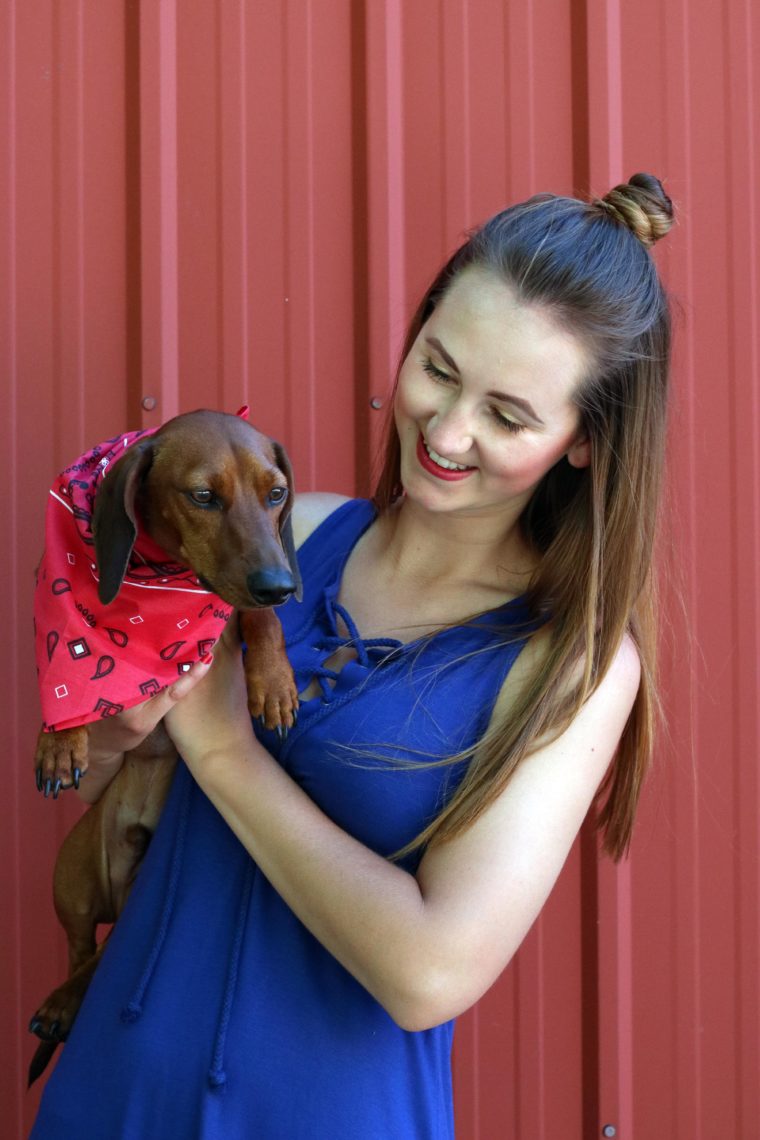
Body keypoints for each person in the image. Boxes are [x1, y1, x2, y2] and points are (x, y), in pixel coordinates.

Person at [31, 173, 674, 1139]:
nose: (448, 431)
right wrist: (115, 729)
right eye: (439, 368)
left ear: (586, 442)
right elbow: (112, 799)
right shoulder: (295, 536)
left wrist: (223, 750)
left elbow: (430, 973)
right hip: (112, 1092)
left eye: (507, 415)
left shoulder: (572, 664)